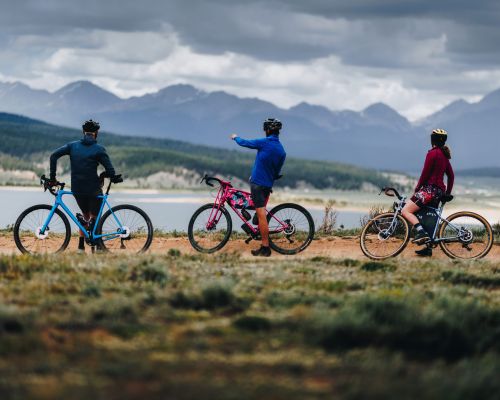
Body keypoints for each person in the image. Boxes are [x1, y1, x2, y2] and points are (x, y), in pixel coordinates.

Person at [49, 119, 116, 252]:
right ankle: (99, 247)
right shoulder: (99, 149)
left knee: (85, 216)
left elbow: (53, 156)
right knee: (95, 217)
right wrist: (104, 176)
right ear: (96, 133)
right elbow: (111, 172)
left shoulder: (72, 146)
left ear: (83, 132)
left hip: (77, 189)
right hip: (93, 189)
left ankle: (81, 247)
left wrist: (53, 177)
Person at [231, 118, 287, 257]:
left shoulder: (264, 142)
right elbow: (276, 172)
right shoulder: (281, 150)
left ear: (267, 130)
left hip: (257, 184)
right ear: (278, 131)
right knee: (258, 213)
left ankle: (265, 248)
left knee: (261, 216)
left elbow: (245, 143)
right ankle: (257, 229)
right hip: (267, 184)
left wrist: (235, 137)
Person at [401, 128, 454, 257]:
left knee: (405, 211)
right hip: (439, 192)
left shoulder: (432, 153)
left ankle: (421, 232)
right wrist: (447, 193)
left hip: (429, 190)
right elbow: (451, 176)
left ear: (432, 140)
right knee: (428, 217)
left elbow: (425, 173)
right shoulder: (444, 156)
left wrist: (417, 188)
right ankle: (428, 248)